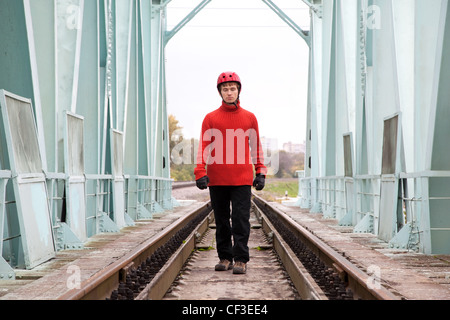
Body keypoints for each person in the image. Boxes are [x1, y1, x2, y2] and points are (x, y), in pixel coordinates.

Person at [194, 71, 267, 274]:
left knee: (241, 220)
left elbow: (256, 146)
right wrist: (200, 172)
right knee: (222, 220)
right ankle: (225, 257)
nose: (229, 92)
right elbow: (204, 147)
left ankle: (241, 259)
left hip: (242, 179)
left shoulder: (250, 118)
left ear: (238, 90)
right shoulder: (210, 118)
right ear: (220, 92)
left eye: (232, 88)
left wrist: (260, 171)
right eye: (225, 89)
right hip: (217, 179)